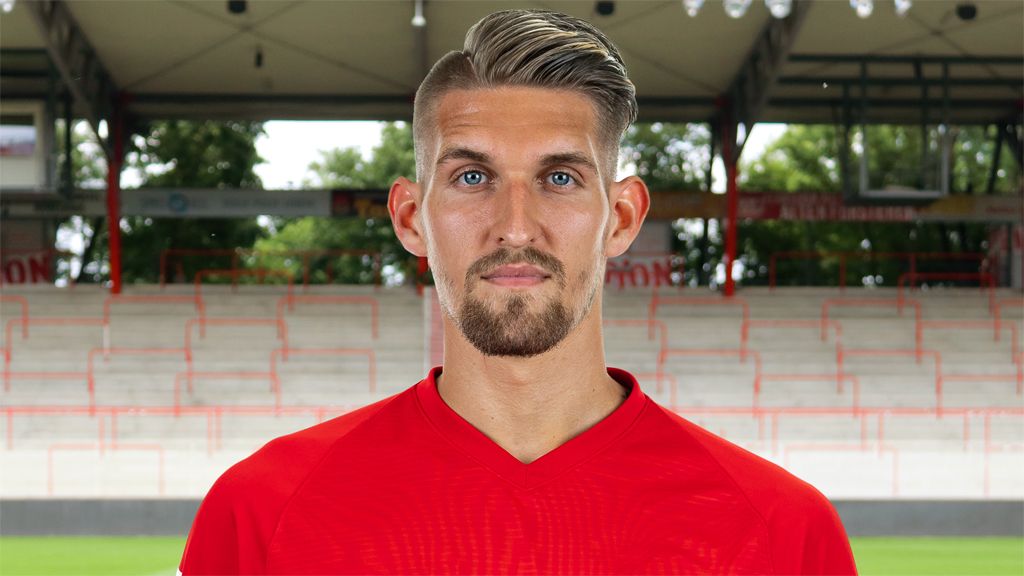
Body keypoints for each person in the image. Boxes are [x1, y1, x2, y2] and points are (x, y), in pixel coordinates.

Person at [178, 9, 857, 575]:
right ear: (411, 218)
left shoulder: (783, 533)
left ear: (621, 218)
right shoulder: (262, 511)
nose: (515, 226)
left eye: (560, 178)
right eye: (472, 178)